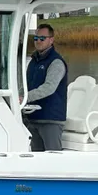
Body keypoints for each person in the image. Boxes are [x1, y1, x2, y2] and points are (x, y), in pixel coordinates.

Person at [23, 23, 68, 151]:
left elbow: (49, 87)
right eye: (36, 38)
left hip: (50, 119)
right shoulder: (33, 61)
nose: (38, 41)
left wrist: (26, 98)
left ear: (51, 40)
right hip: (33, 118)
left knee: (53, 158)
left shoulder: (56, 62)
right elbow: (27, 85)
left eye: (42, 38)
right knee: (36, 159)